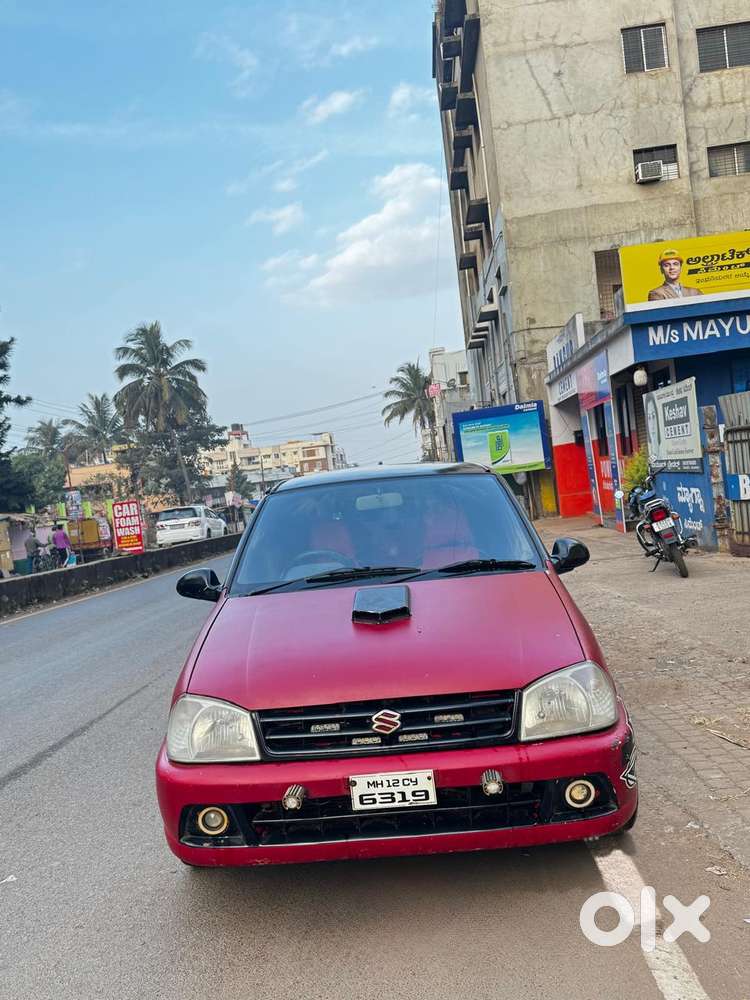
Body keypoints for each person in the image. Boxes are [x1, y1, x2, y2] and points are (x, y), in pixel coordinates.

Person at [645, 395, 663, 460]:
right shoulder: (651, 458)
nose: (652, 425)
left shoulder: (663, 453)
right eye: (649, 418)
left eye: (653, 416)